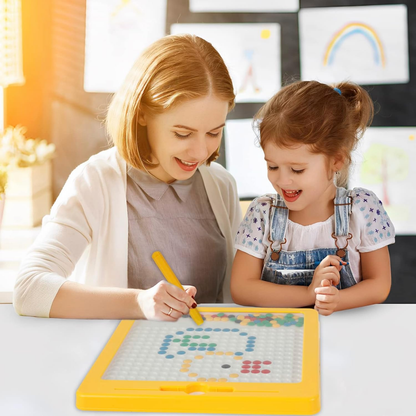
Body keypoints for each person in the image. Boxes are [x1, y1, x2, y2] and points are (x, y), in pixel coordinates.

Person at [14, 34, 241, 320]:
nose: (200, 151)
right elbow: (29, 289)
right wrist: (138, 302)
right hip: (119, 360)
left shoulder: (220, 186)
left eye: (213, 133)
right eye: (182, 133)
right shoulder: (96, 181)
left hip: (204, 355)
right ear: (143, 114)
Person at [230, 80, 395, 316]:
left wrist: (339, 299)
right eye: (273, 166)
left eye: (297, 170)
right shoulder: (262, 213)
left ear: (336, 161)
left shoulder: (362, 209)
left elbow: (379, 284)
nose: (283, 180)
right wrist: (308, 294)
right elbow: (241, 288)